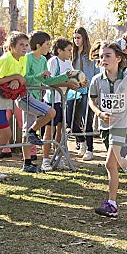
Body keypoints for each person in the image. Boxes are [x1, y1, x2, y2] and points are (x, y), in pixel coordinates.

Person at [89, 42, 127, 217]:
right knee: (117, 161)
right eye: (101, 56)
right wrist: (99, 113)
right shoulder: (97, 80)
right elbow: (92, 101)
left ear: (118, 58)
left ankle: (112, 204)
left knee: (109, 163)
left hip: (120, 124)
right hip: (105, 125)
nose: (103, 59)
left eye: (107, 56)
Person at [17, 31, 70, 172]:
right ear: (39, 45)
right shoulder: (28, 58)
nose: (49, 47)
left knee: (27, 129)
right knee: (50, 112)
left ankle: (27, 163)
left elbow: (49, 81)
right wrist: (39, 77)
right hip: (25, 96)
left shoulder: (43, 60)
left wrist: (65, 76)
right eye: (47, 44)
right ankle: (32, 132)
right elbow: (25, 78)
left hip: (34, 97)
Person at [0, 31, 28, 179]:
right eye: (21, 45)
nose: (25, 48)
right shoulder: (4, 60)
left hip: (1, 102)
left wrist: (16, 79)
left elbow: (21, 79)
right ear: (11, 47)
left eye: (26, 45)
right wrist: (15, 77)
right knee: (6, 133)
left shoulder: (23, 59)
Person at [42, 37, 82, 171]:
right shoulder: (53, 61)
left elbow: (72, 80)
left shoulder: (69, 63)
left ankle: (58, 157)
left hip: (63, 101)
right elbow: (50, 81)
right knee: (50, 130)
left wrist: (79, 84)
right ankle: (45, 159)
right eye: (69, 50)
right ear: (59, 50)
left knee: (60, 130)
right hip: (52, 101)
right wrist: (67, 84)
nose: (71, 52)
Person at [67, 27, 100, 161]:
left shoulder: (91, 55)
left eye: (78, 38)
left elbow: (96, 73)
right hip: (74, 90)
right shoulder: (72, 55)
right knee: (70, 118)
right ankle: (81, 141)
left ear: (84, 38)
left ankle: (90, 149)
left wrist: (91, 87)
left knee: (87, 119)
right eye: (74, 38)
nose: (76, 41)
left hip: (88, 90)